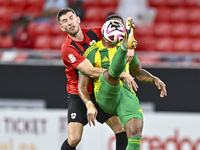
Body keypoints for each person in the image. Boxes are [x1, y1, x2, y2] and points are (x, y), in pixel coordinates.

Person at [78, 17, 167, 150]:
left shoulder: (131, 52)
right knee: (111, 75)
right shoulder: (92, 52)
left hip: (125, 92)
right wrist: (89, 105)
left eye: (119, 25)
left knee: (135, 130)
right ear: (104, 29)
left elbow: (138, 73)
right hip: (105, 93)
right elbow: (82, 85)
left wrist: (154, 79)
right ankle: (123, 49)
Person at [57, 8, 137, 150]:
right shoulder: (68, 48)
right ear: (62, 27)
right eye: (65, 21)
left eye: (71, 18)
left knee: (121, 128)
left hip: (98, 89)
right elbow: (91, 71)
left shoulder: (95, 33)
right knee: (74, 138)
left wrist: (130, 46)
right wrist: (121, 74)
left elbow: (119, 31)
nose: (69, 22)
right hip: (78, 93)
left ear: (78, 19)